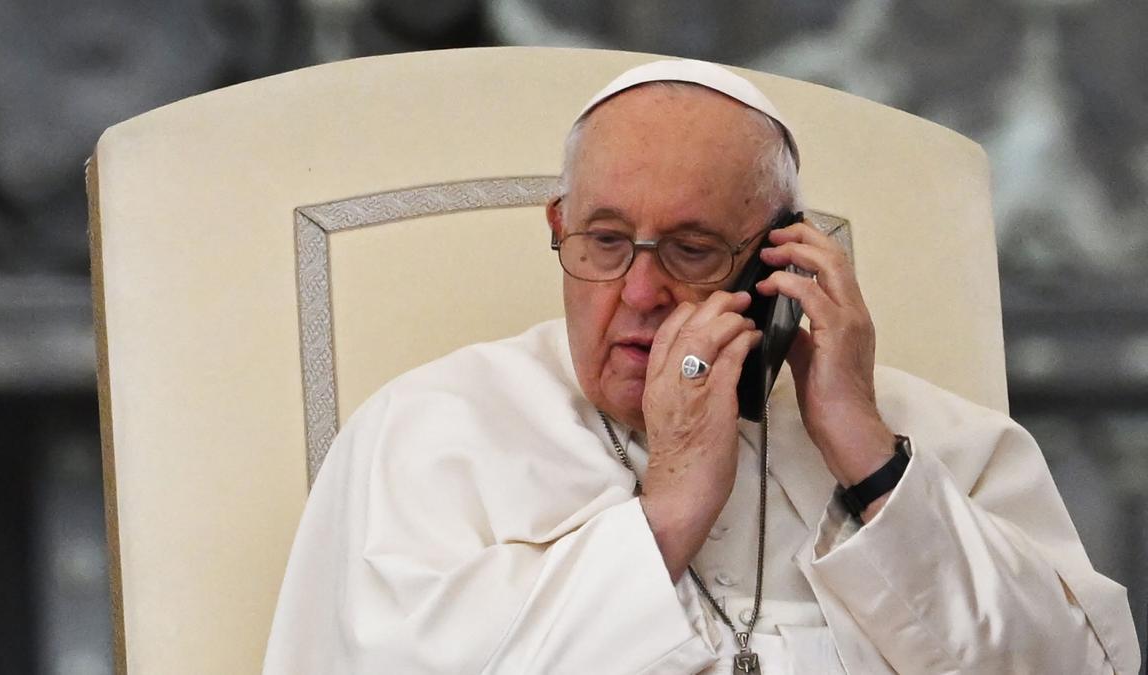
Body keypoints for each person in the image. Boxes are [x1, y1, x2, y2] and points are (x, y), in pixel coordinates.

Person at [263, 59, 1140, 674]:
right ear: (557, 228)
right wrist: (667, 514)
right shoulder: (426, 433)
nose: (639, 290)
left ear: (780, 262)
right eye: (605, 241)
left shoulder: (941, 441)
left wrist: (869, 459)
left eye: (691, 249)